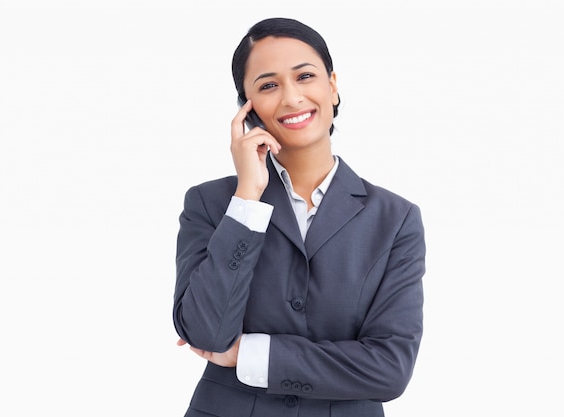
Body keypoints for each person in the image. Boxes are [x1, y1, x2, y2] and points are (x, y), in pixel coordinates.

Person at [173, 17, 425, 417]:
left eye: (304, 76)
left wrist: (252, 356)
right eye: (268, 85)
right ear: (247, 106)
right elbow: (206, 332)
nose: (291, 98)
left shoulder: (394, 219)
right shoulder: (211, 202)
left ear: (332, 86)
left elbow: (389, 369)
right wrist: (247, 199)